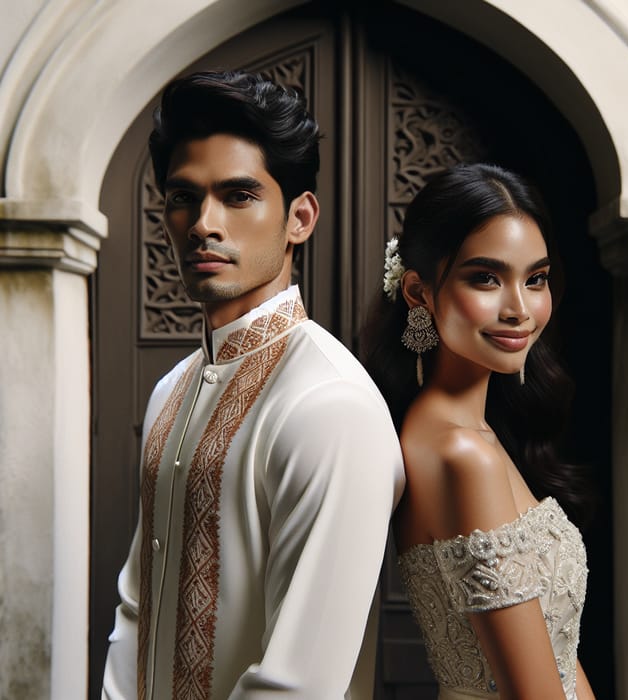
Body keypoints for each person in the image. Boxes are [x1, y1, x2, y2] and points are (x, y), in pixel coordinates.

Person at [102, 70, 404, 700]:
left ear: (299, 217)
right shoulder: (170, 391)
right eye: (183, 197)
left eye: (238, 196)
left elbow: (298, 685)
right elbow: (137, 606)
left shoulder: (330, 404)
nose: (202, 224)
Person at [362, 163, 595, 700]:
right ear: (418, 292)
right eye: (486, 278)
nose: (519, 309)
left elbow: (558, 659)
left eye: (534, 279)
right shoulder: (463, 453)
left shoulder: (458, 430)